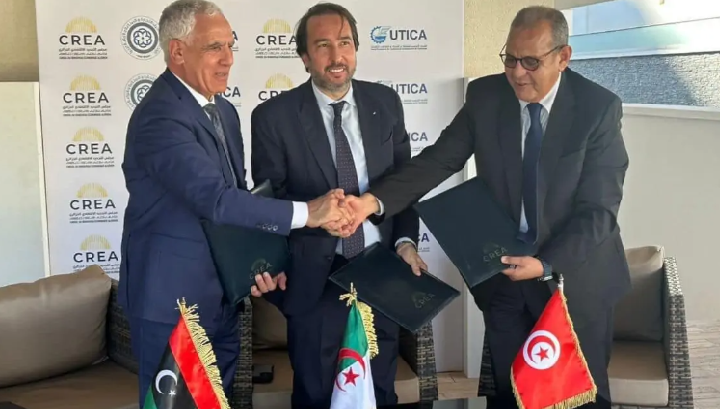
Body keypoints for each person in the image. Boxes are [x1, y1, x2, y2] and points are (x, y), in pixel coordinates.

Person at [335, 6, 631, 409]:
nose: (518, 73)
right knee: (508, 395)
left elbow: (599, 210)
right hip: (504, 278)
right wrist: (370, 202)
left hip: (573, 280)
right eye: (510, 59)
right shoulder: (486, 96)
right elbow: (437, 161)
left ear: (563, 57)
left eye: (531, 62)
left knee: (578, 399)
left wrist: (545, 263)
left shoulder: (598, 108)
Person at [118, 1, 351, 406]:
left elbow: (241, 200)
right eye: (214, 47)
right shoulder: (160, 116)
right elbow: (217, 200)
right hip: (173, 305)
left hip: (223, 299)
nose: (228, 59)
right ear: (177, 51)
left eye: (230, 45)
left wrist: (265, 264)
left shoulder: (223, 111)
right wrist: (309, 212)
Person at [249, 3, 427, 408]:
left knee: (378, 392)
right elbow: (271, 203)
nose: (336, 56)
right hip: (314, 276)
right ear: (304, 57)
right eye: (323, 45)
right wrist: (316, 218)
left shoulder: (386, 103)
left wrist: (405, 243)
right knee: (317, 394)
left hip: (380, 271)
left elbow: (404, 184)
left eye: (345, 43)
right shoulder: (273, 117)